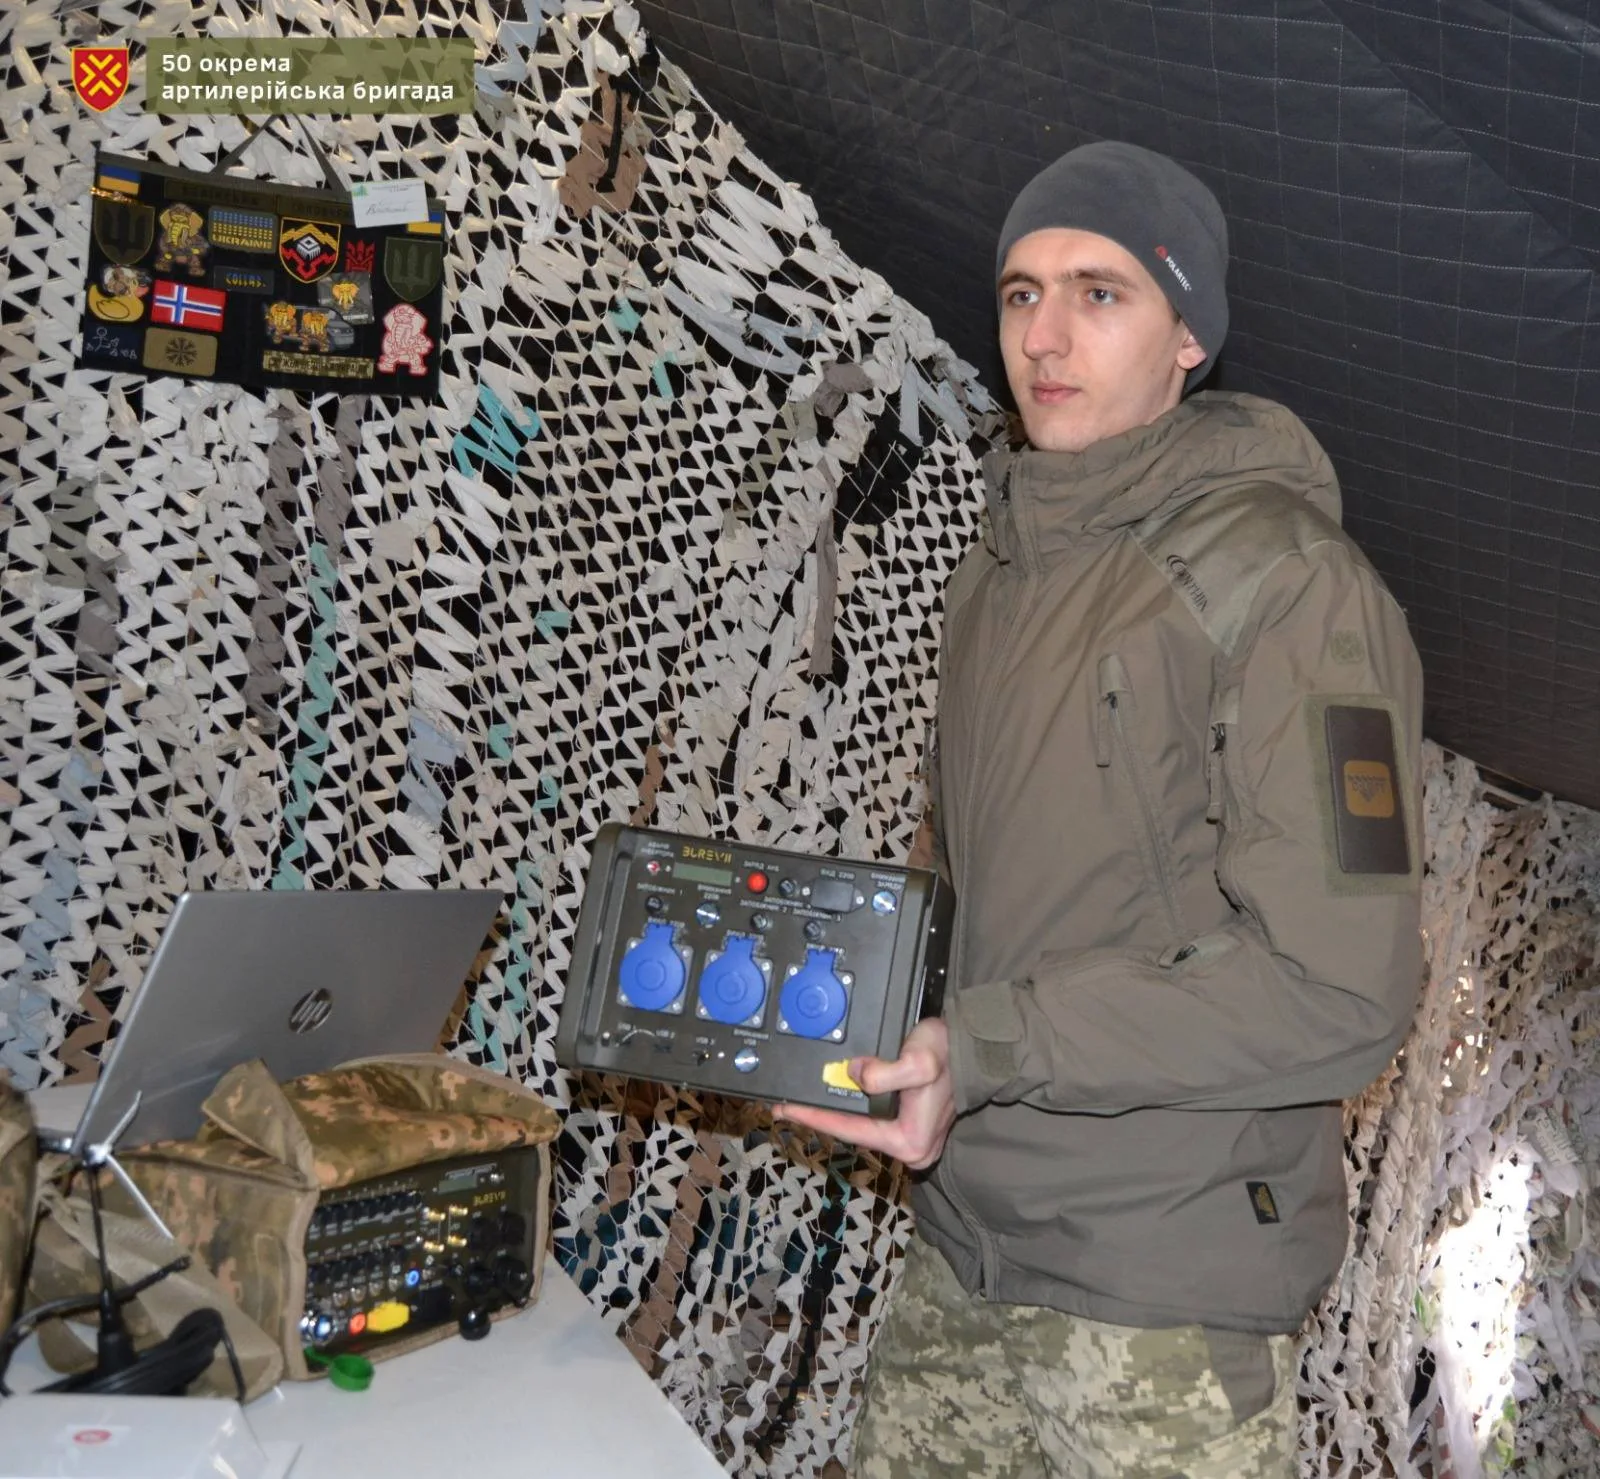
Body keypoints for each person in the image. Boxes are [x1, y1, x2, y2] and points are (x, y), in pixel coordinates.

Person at [776, 141, 1424, 1478]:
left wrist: (990, 1043)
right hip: (968, 1240)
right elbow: (1023, 904)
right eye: (1021, 293)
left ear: (1189, 339)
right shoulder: (999, 575)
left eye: (1101, 293)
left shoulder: (1294, 586)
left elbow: (1338, 987)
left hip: (1160, 1298)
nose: (1044, 336)